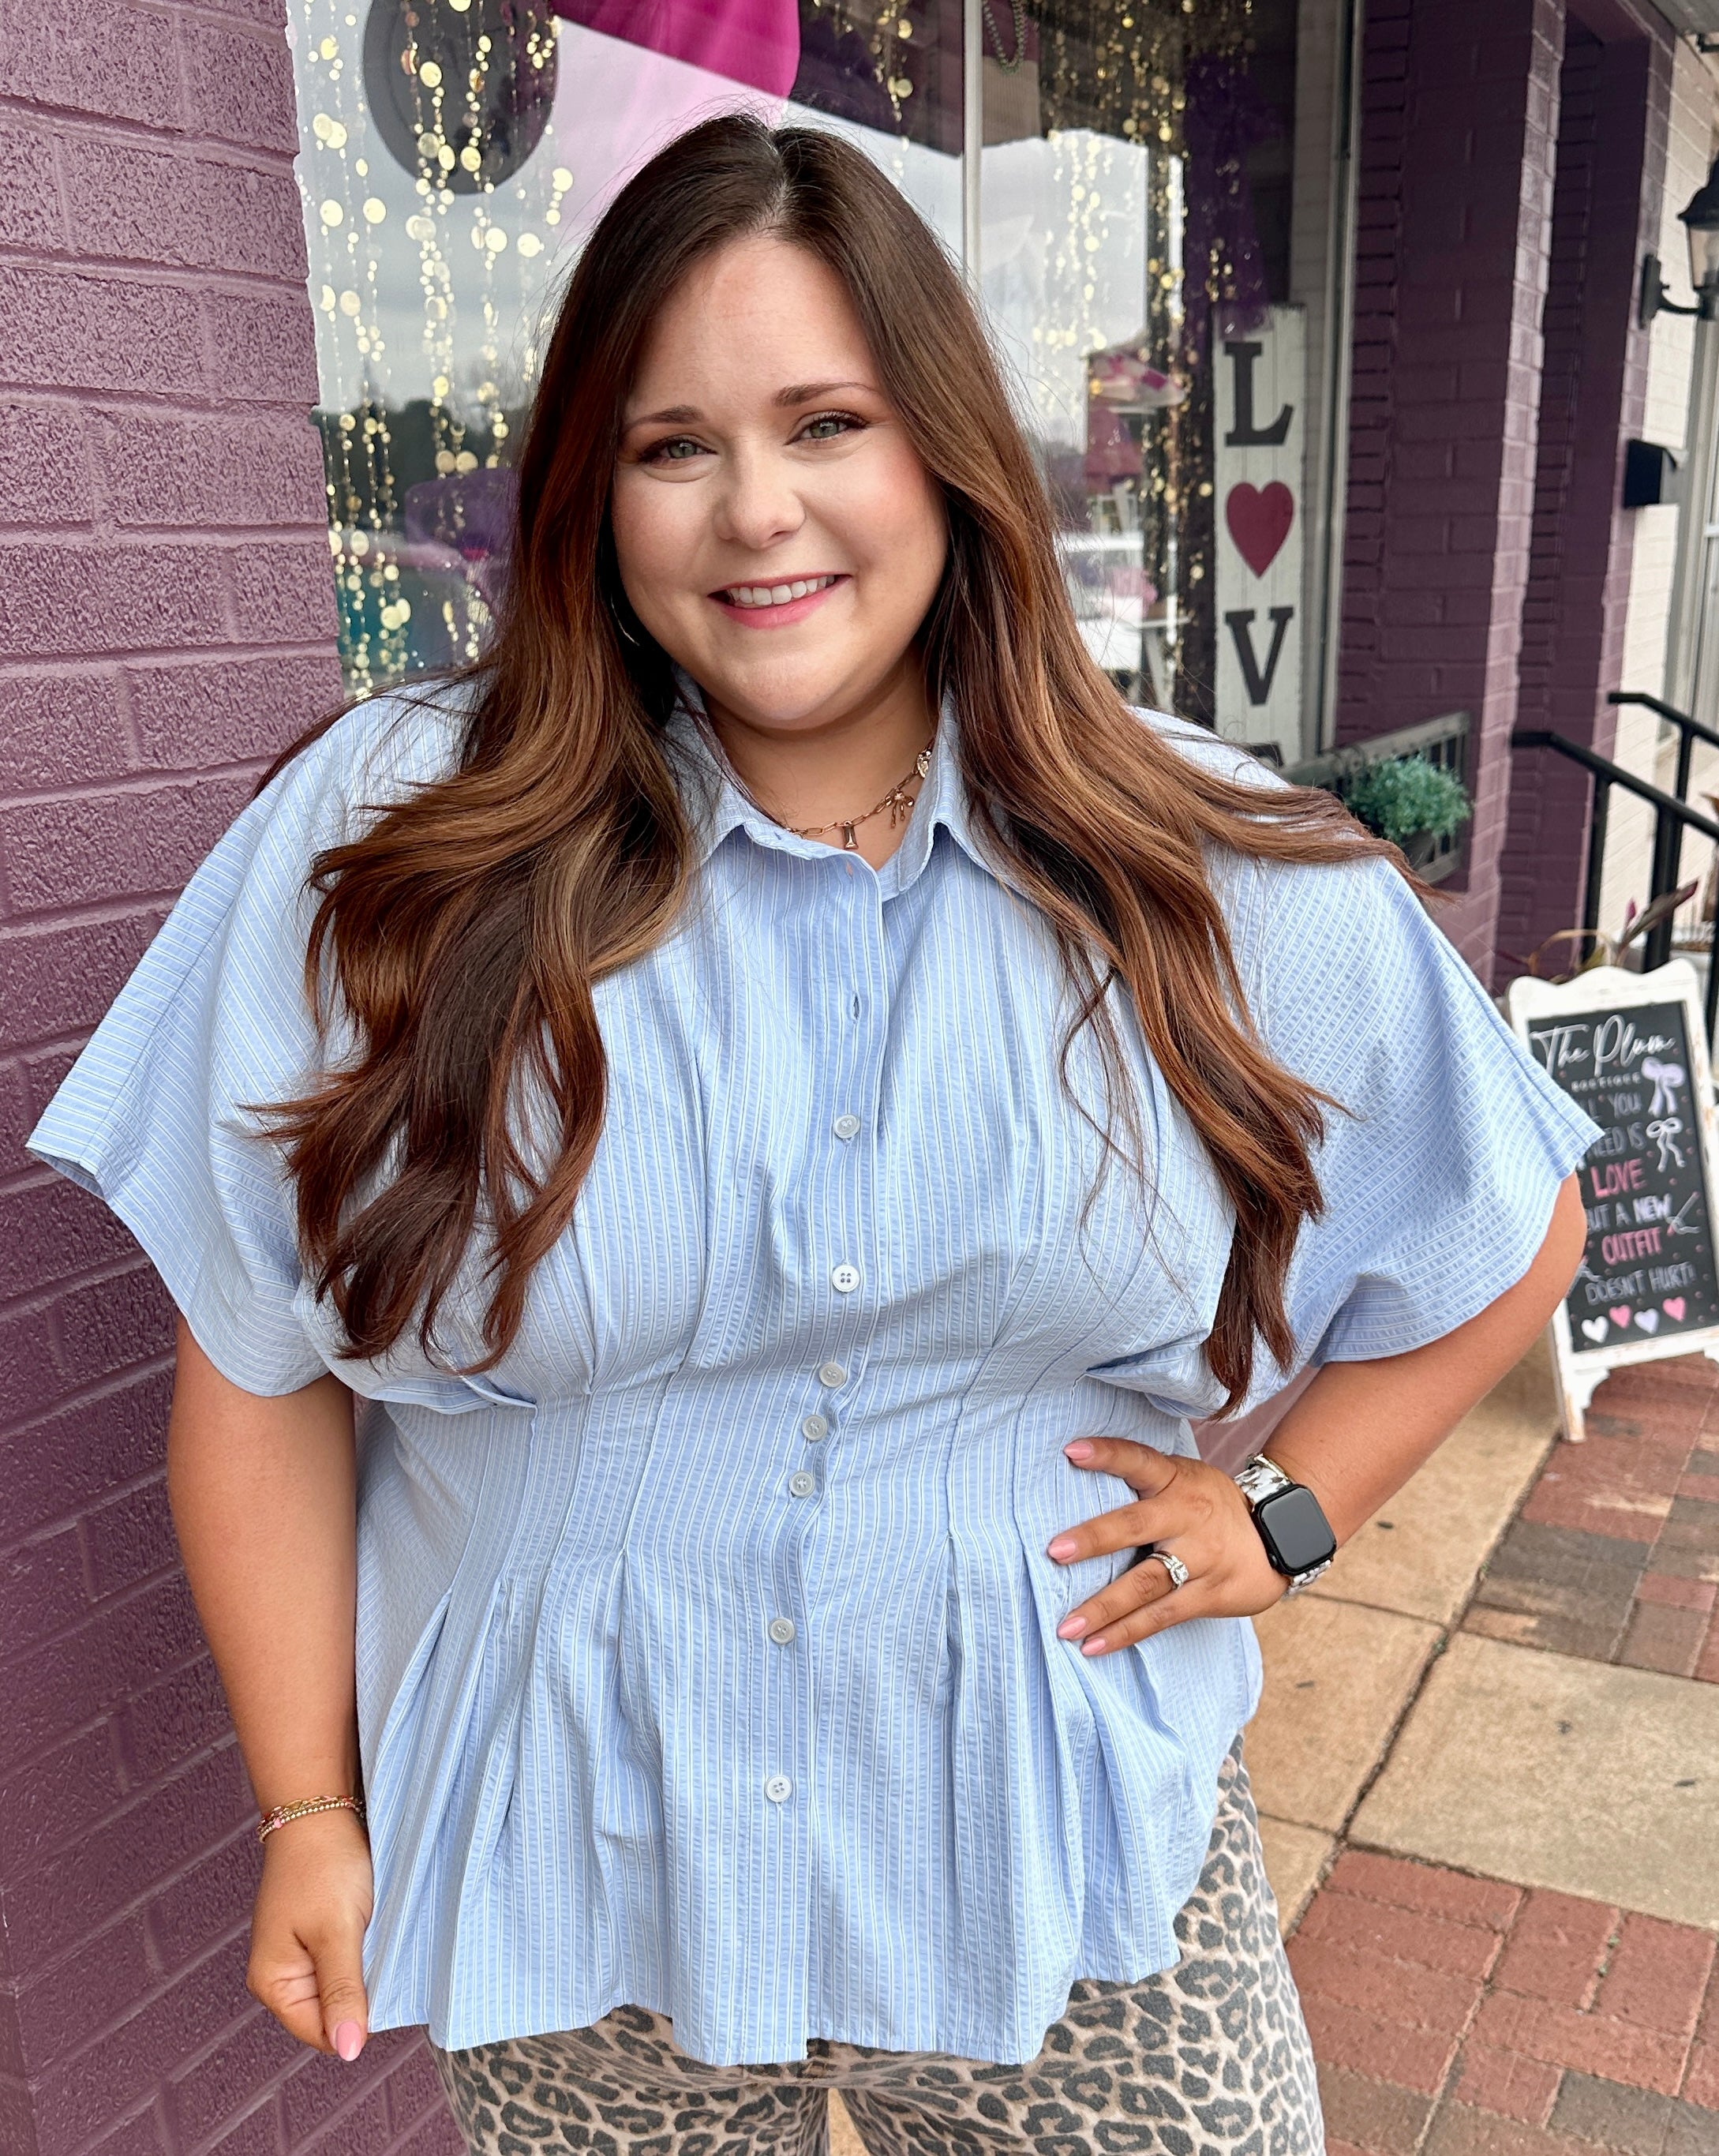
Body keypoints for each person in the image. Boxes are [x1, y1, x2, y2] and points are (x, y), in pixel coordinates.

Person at [30, 114, 1595, 2156]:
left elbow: (1512, 1223)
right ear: (596, 490)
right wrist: (310, 1808)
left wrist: (1277, 1517)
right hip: (577, 1847)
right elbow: (255, 1365)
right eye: (674, 443)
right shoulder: (389, 847)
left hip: (1051, 1834)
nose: (754, 508)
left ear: (941, 449)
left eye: (824, 421)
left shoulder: (1201, 864)